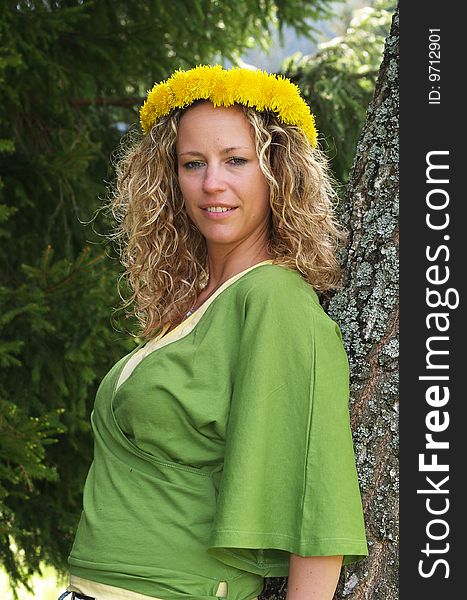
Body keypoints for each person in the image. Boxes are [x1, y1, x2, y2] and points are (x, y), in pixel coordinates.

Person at [60, 65, 368, 600]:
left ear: (279, 171)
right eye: (193, 163)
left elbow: (318, 507)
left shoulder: (274, 299)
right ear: (169, 178)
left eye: (236, 161)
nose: (212, 184)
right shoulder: (196, 300)